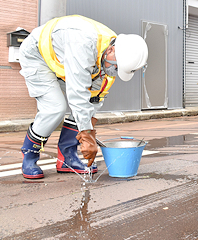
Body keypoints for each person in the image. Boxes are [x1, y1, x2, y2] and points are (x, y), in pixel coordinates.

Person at [19, 15, 148, 179]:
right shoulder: (83, 44)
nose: (114, 72)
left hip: (63, 60)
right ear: (111, 50)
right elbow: (78, 95)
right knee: (54, 108)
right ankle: (30, 155)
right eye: (115, 67)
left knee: (86, 105)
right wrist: (86, 135)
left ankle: (67, 156)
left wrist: (90, 131)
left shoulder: (111, 59)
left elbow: (94, 99)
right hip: (37, 55)